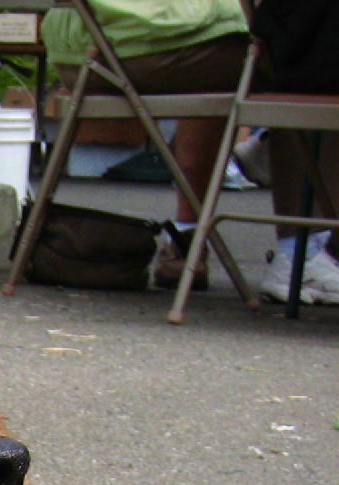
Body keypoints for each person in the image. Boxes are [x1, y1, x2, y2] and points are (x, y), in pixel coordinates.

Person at [42, 0, 339, 302]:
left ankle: (193, 232)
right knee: (302, 60)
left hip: (78, 42)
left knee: (294, 45)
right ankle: (301, 254)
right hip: (148, 41)